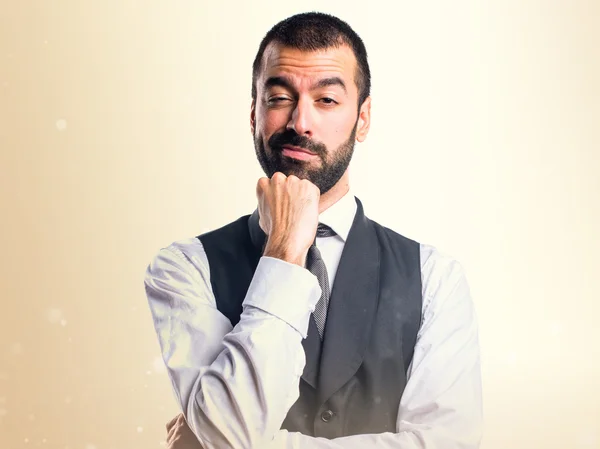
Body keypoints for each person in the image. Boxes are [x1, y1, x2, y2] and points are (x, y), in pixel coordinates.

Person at [144, 11, 483, 449]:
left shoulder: (435, 278)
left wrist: (242, 441)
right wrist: (284, 249)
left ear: (362, 119)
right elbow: (230, 431)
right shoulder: (185, 268)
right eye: (280, 97)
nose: (300, 123)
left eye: (326, 100)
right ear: (254, 115)